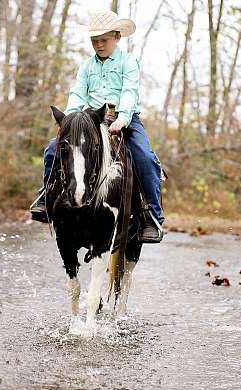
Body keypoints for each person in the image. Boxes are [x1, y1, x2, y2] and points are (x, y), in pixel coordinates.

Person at [30, 10, 164, 243]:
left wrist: (123, 117)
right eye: (95, 41)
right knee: (53, 149)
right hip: (90, 121)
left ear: (117, 37)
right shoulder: (86, 66)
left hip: (124, 119)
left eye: (104, 40)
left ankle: (150, 215)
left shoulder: (128, 61)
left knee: (145, 157)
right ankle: (46, 196)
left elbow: (130, 91)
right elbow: (77, 94)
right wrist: (70, 122)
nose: (99, 45)